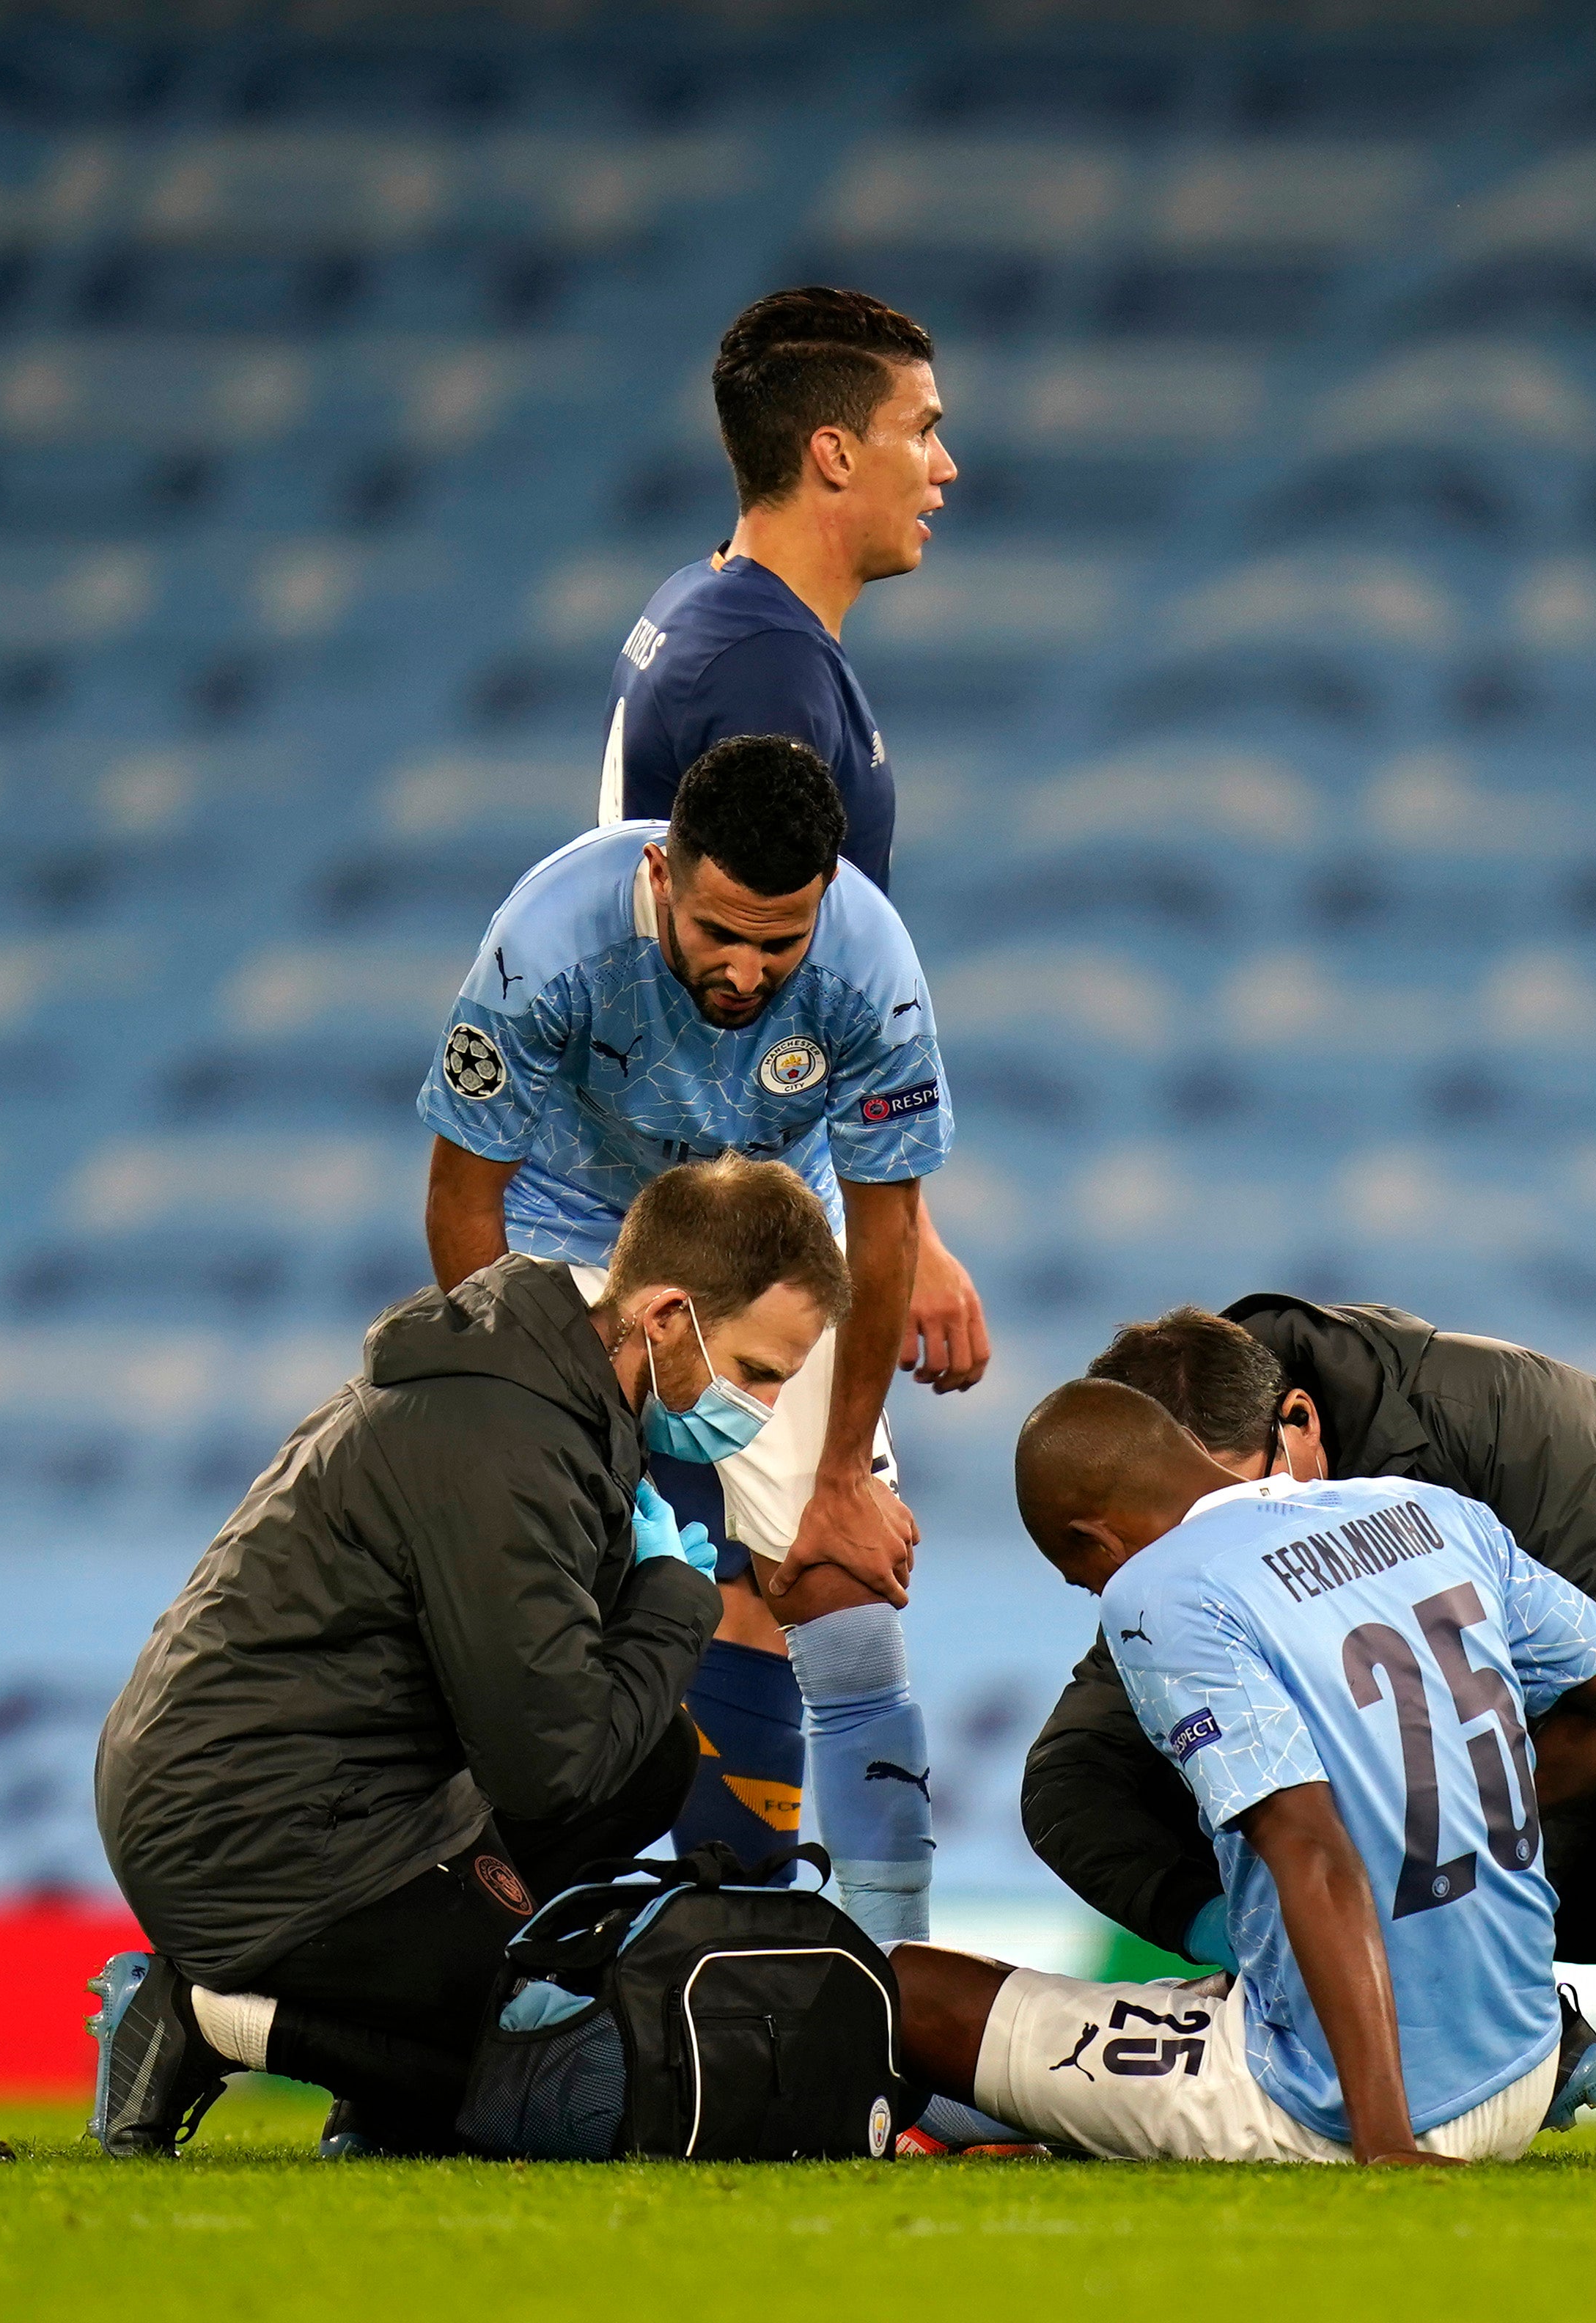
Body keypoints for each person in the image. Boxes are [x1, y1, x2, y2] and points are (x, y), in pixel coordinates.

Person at [85, 1156, 846, 2157]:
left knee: (651, 1759)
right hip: (248, 1831)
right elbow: (548, 1768)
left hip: (315, 1793)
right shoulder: (507, 1443)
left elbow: (565, 1724)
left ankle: (384, 2096)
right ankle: (195, 2018)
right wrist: (670, 1601)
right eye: (756, 1373)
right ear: (664, 1317)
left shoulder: (543, 1398)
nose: (764, 1408)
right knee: (573, 2072)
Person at [1021, 1301, 1596, 2161]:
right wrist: (1253, 1931)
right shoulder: (1183, 1551)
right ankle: (1362, 1997)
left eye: (1218, 1507)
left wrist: (1412, 1836)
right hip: (1456, 1848)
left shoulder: (1528, 1420)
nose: (1202, 1541)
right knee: (1159, 1770)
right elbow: (1067, 1780)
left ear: (1299, 1421)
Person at [419, 736, 955, 1948]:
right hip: (577, 1234)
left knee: (840, 1578)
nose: (746, 969)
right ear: (662, 872)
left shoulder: (872, 967)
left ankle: (891, 1969)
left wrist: (842, 1473)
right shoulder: (546, 943)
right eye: (718, 932)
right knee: (555, 1601)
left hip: (768, 1237)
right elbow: (461, 1196)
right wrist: (516, 1410)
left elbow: (886, 1236)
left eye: (781, 941)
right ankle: (520, 1959)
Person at [887, 1380, 1596, 2167]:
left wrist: (1385, 2143)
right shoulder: (1429, 1511)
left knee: (896, 1985)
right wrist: (1462, 1809)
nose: (1097, 1591)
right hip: (1527, 2051)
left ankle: (942, 2113)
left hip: (1357, 2109)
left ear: (1095, 1539)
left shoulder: (1161, 1589)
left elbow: (1307, 1845)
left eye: (1083, 1576)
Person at [595, 285, 988, 1871]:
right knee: (831, 1567)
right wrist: (898, 1225)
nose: (942, 465)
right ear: (832, 452)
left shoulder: (710, 613)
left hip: (695, 1178)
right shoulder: (766, 680)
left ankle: (730, 1934)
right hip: (730, 1196)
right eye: (920, 430)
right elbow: (751, 988)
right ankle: (821, 1954)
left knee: (748, 1581)